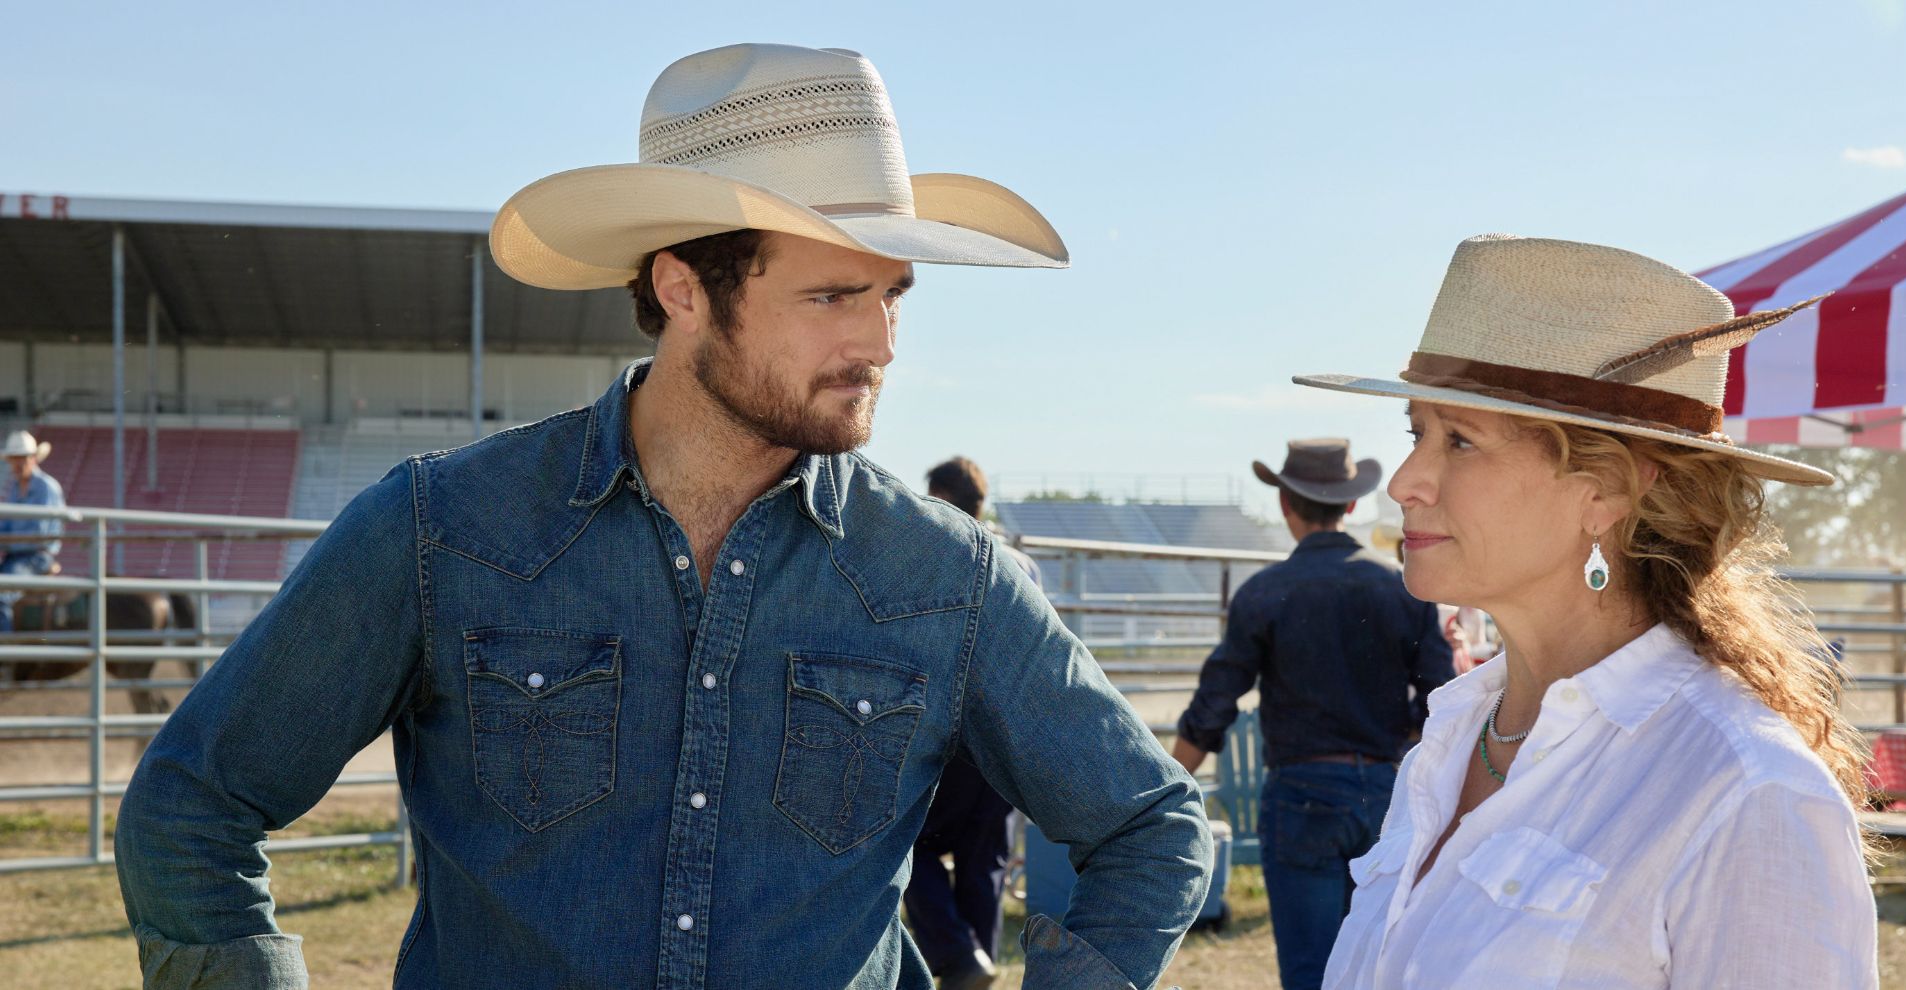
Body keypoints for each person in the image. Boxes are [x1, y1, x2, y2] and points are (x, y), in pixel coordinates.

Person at [115, 44, 1210, 990]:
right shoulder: (439, 529)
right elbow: (190, 811)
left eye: (892, 296)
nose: (880, 343)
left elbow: (1149, 828)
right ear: (684, 288)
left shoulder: (945, 574)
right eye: (832, 296)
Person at [1302, 235, 1875, 988]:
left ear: (1606, 490)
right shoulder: (1445, 749)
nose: (1407, 480)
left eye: (1460, 440)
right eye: (1418, 433)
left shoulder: (1746, 790)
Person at [1171, 438, 1454, 990]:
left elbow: (1213, 707)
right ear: (1350, 505)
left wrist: (1169, 788)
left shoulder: (1263, 593)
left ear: (1285, 504)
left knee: (1309, 969)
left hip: (1300, 793)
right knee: (1378, 963)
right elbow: (1441, 699)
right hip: (1385, 791)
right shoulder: (1404, 590)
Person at [905, 456, 1035, 989]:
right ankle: (975, 965)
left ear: (940, 498)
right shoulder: (1022, 565)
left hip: (951, 736)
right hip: (1006, 740)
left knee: (909, 842)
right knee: (985, 860)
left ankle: (959, 957)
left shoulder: (936, 557)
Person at [1, 430, 64, 634]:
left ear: (33, 459)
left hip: (36, 557)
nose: (17, 465)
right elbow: (6, 525)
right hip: (14, 558)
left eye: (22, 459)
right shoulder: (14, 488)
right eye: (14, 460)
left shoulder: (47, 487)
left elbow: (40, 533)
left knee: (1, 596)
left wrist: (5, 541)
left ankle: (5, 655)